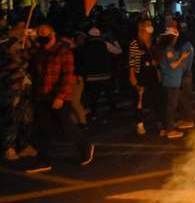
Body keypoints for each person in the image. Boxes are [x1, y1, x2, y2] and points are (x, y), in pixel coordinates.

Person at [27, 24, 94, 172]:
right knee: (42, 129)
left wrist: (61, 96)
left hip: (57, 96)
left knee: (66, 126)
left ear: (53, 35)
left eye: (44, 34)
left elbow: (67, 76)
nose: (41, 36)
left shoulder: (63, 51)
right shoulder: (38, 52)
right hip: (41, 95)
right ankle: (44, 160)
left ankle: (85, 147)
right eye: (39, 34)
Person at [0, 21, 36, 161]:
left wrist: (29, 40)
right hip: (9, 85)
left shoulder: (18, 45)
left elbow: (29, 54)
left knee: (26, 116)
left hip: (24, 84)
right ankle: (8, 147)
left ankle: (23, 145)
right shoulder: (5, 42)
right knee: (11, 117)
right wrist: (13, 36)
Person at [128, 18, 163, 136]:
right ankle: (140, 124)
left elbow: (158, 57)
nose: (150, 27)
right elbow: (132, 61)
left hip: (152, 73)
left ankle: (160, 123)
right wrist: (132, 75)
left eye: (151, 24)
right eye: (147, 25)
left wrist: (156, 64)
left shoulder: (153, 42)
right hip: (140, 74)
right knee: (139, 100)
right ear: (141, 27)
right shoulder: (135, 43)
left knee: (157, 98)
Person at [80, 27, 121, 123]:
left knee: (94, 96)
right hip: (104, 74)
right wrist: (114, 41)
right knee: (108, 93)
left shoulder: (84, 46)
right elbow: (118, 51)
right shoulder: (104, 44)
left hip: (91, 76)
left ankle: (93, 113)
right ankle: (113, 109)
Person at [157, 27, 189, 140]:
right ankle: (169, 131)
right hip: (171, 82)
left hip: (172, 81)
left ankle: (166, 128)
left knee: (169, 106)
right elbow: (173, 65)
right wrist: (182, 57)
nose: (176, 40)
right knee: (171, 107)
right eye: (175, 38)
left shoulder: (167, 49)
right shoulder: (169, 50)